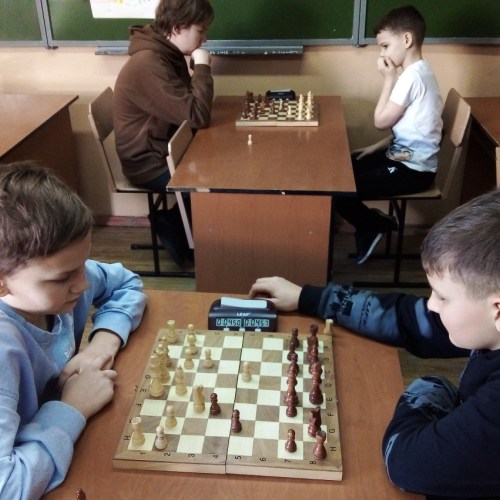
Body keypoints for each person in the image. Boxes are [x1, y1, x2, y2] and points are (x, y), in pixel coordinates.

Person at [249, 188, 500, 499]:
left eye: (443, 297)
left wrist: (427, 390)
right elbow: (409, 319)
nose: (431, 305)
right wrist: (308, 297)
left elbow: (408, 464)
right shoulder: (485, 325)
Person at [0, 162, 147, 499]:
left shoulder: (64, 279)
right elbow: (7, 487)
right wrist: (73, 408)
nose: (82, 284)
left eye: (84, 263)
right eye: (63, 277)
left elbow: (127, 284)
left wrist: (102, 343)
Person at [337, 5, 443, 264]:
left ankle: (372, 225)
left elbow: (381, 121)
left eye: (385, 46)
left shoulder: (410, 78)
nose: (382, 53)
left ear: (406, 39)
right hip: (402, 156)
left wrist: (388, 79)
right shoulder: (422, 71)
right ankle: (375, 221)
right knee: (342, 169)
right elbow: (411, 129)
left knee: (338, 188)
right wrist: (374, 148)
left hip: (413, 171)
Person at [113, 0, 215, 265]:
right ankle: (184, 232)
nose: (204, 38)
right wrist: (202, 68)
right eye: (201, 30)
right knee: (217, 179)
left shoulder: (166, 53)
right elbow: (197, 115)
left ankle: (181, 225)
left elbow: (190, 109)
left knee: (222, 163)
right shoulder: (149, 64)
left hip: (166, 148)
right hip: (149, 163)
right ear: (178, 27)